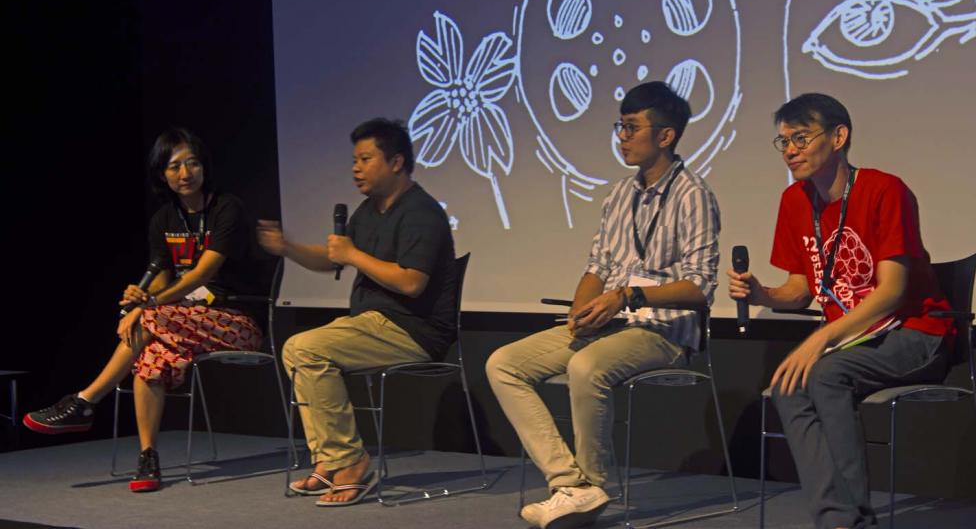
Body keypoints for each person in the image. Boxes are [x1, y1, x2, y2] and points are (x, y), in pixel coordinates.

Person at [486, 81, 720, 529]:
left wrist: (628, 296)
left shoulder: (693, 194)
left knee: (585, 367)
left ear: (666, 136)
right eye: (620, 127)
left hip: (664, 331)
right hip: (610, 323)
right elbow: (597, 266)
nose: (622, 137)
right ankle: (572, 485)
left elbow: (700, 288)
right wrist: (581, 313)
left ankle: (589, 484)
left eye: (632, 128)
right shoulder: (620, 194)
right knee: (503, 363)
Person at [727, 93, 954, 529]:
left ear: (839, 137)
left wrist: (821, 339)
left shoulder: (885, 189)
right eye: (783, 141)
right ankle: (837, 517)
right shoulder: (795, 201)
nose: (790, 150)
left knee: (827, 374)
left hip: (918, 332)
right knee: (789, 384)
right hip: (856, 339)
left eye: (800, 137)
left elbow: (891, 293)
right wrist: (761, 294)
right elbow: (800, 291)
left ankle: (854, 522)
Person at [23, 128, 264, 492]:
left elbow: (203, 272)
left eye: (192, 163)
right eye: (174, 167)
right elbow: (162, 279)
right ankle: (148, 457)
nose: (185, 174)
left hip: (236, 322)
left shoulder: (226, 208)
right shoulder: (163, 220)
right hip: (178, 321)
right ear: (161, 175)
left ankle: (84, 401)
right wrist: (139, 296)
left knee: (148, 320)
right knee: (150, 354)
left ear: (204, 167)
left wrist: (147, 306)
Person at [258, 118, 456, 507]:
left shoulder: (421, 211)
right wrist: (289, 248)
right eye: (354, 160)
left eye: (366, 159)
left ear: (396, 162)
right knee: (302, 349)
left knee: (305, 349)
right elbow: (333, 259)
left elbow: (412, 282)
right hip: (373, 324)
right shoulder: (369, 211)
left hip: (412, 330)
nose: (356, 168)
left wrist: (353, 255)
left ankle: (350, 461)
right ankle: (331, 462)